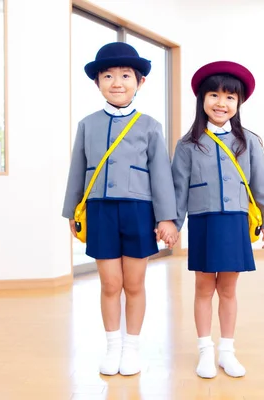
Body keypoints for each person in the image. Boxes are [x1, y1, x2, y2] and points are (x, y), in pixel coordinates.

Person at [62, 42, 179, 376]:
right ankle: (112, 347)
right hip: (99, 211)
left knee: (135, 284)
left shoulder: (150, 126)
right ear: (97, 82)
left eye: (125, 75)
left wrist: (166, 217)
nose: (117, 82)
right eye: (108, 75)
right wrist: (73, 210)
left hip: (139, 212)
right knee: (110, 284)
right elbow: (77, 169)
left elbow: (161, 176)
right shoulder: (87, 124)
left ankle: (132, 348)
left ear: (139, 82)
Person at [171, 61, 264, 378]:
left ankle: (226, 352)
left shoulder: (250, 142)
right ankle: (205, 351)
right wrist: (173, 224)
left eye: (230, 97)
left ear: (238, 103)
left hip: (235, 222)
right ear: (202, 100)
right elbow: (178, 187)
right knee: (204, 287)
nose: (221, 103)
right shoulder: (187, 144)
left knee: (228, 289)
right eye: (214, 95)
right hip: (203, 221)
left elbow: (262, 182)